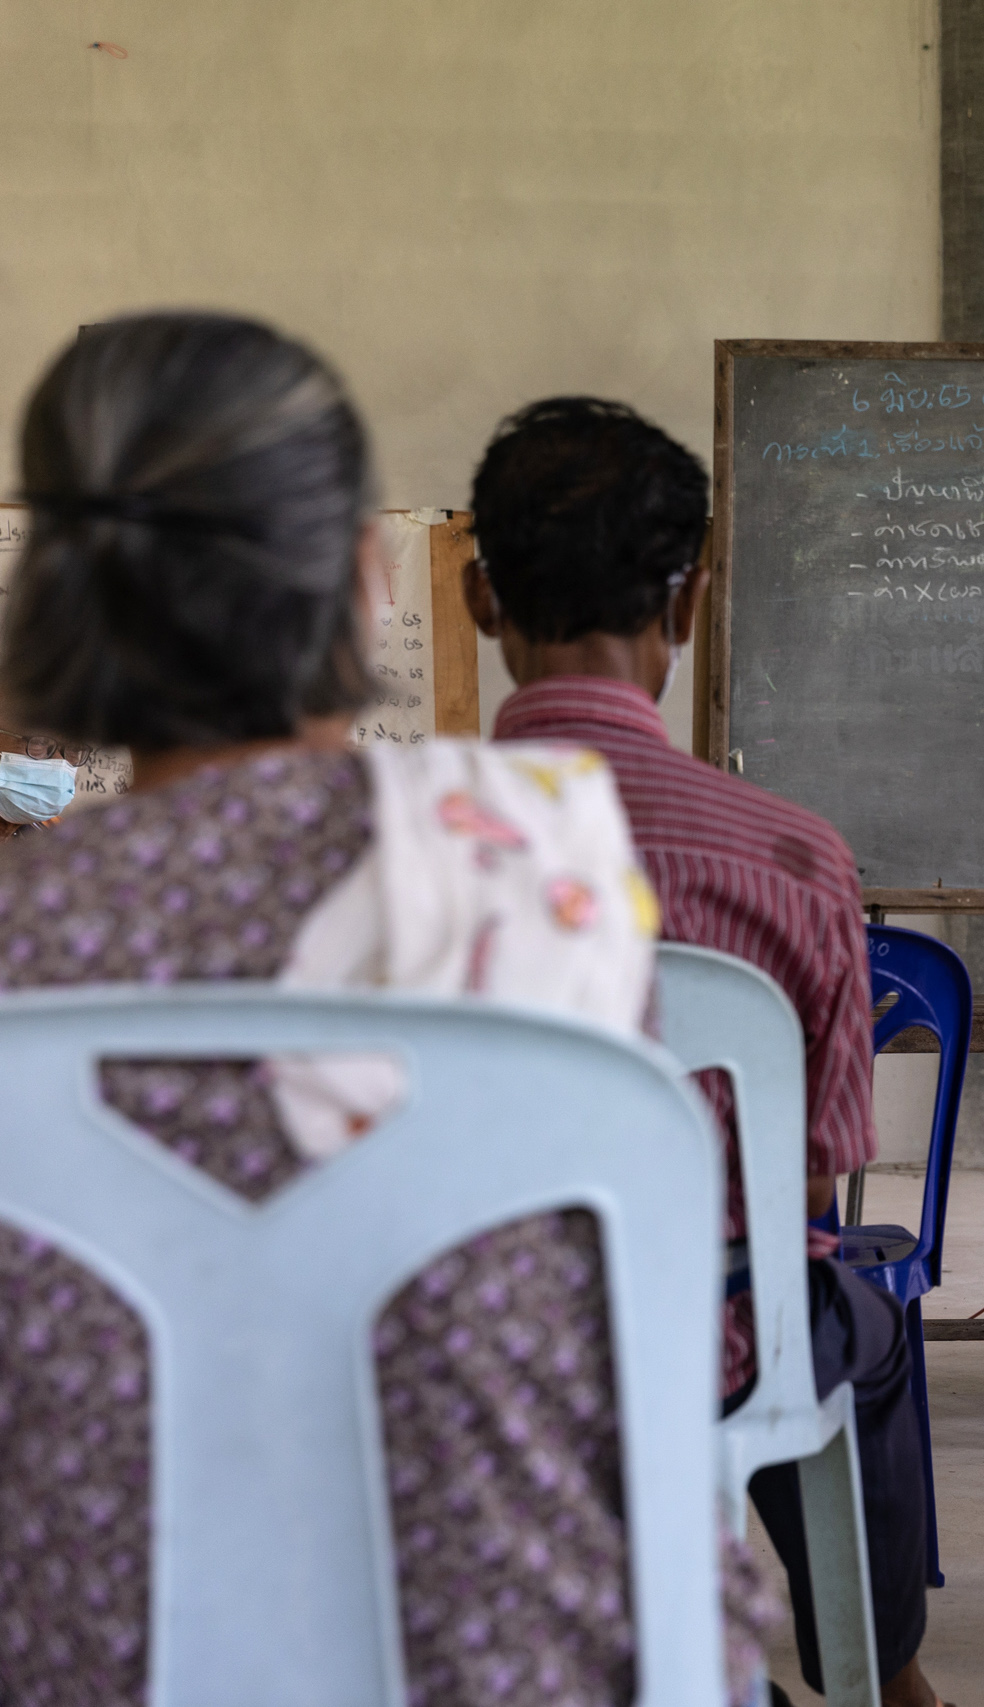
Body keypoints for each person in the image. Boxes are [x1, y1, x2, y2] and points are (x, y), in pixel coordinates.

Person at [0, 314, 782, 1705]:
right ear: (368, 583)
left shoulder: (26, 933)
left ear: (60, 601)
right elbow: (629, 1389)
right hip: (519, 1664)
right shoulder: (527, 862)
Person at [463, 397, 944, 1707]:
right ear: (688, 602)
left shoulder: (409, 853)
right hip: (724, 1335)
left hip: (475, 1353)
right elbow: (810, 1179)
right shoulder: (791, 854)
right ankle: (881, 1669)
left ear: (476, 596)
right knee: (851, 1314)